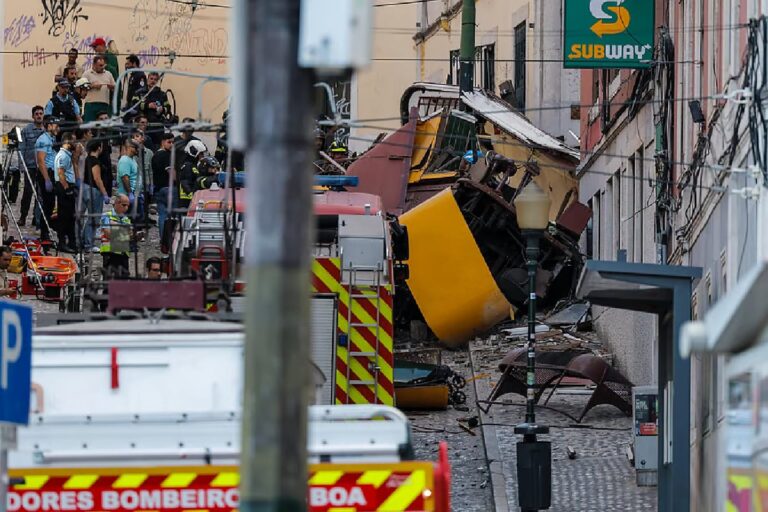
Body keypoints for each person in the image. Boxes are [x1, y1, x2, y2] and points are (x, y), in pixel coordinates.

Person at [81, 140, 110, 252]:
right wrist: (105, 193)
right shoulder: (95, 162)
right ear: (98, 148)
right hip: (94, 191)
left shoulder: (87, 159)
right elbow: (97, 179)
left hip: (85, 188)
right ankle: (89, 244)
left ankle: (84, 240)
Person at [18, 106, 45, 227]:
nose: (39, 116)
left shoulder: (46, 130)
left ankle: (36, 218)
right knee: (28, 192)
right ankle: (23, 216)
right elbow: (21, 148)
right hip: (30, 166)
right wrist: (21, 166)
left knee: (40, 194)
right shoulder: (27, 130)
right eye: (37, 114)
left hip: (42, 167)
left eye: (41, 113)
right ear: (33, 116)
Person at [35, 116, 60, 241]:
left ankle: (46, 231)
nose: (58, 128)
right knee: (47, 204)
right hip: (46, 174)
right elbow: (41, 161)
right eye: (56, 125)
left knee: (50, 205)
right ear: (49, 125)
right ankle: (44, 233)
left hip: (52, 173)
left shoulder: (52, 138)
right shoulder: (43, 139)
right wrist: (47, 179)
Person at [54, 132, 78, 252]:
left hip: (68, 185)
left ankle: (72, 242)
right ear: (67, 142)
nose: (75, 143)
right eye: (73, 140)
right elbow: (60, 172)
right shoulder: (63, 156)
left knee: (70, 217)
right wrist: (67, 188)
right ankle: (62, 243)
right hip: (64, 187)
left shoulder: (68, 155)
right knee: (64, 217)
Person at [131, 72, 172, 144]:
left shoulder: (162, 94)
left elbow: (168, 107)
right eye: (151, 79)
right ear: (147, 79)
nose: (153, 81)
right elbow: (134, 105)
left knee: (157, 147)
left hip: (158, 127)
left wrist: (162, 109)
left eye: (155, 79)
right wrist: (147, 105)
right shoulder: (139, 92)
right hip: (143, 126)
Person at [99, 194, 132, 277]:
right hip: (110, 253)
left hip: (123, 253)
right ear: (117, 203)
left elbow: (131, 235)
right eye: (124, 205)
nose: (126, 208)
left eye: (128, 206)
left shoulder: (126, 219)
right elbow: (108, 233)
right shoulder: (107, 216)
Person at [152, 132, 175, 238]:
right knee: (171, 216)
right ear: (162, 142)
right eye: (169, 142)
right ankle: (169, 240)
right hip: (168, 188)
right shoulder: (165, 155)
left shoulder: (156, 154)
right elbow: (171, 173)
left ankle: (163, 240)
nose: (171, 145)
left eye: (173, 142)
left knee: (162, 216)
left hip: (159, 189)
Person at [82, 55, 116, 122]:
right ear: (94, 65)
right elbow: (81, 90)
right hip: (91, 104)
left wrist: (112, 87)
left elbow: (115, 88)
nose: (102, 67)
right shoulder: (87, 74)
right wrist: (92, 86)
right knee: (89, 125)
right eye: (100, 65)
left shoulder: (108, 74)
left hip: (104, 104)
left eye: (103, 65)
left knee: (103, 126)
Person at [179, 140, 207, 209]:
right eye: (201, 153)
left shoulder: (193, 165)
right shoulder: (188, 166)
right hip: (187, 201)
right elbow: (185, 182)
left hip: (191, 200)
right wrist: (193, 196)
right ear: (194, 152)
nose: (202, 156)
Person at [117, 140, 141, 217]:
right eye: (136, 148)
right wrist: (130, 193)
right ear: (130, 148)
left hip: (134, 194)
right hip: (126, 195)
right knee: (127, 220)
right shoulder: (125, 160)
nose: (138, 150)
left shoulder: (132, 160)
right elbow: (125, 178)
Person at [94, 111, 115, 197]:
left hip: (107, 175)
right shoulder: (96, 137)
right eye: (101, 119)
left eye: (106, 119)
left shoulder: (106, 136)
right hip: (100, 177)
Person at [120, 54, 146, 120]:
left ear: (134, 63)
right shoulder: (133, 75)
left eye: (128, 63)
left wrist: (135, 106)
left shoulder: (140, 75)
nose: (127, 65)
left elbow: (141, 90)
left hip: (135, 106)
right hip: (130, 105)